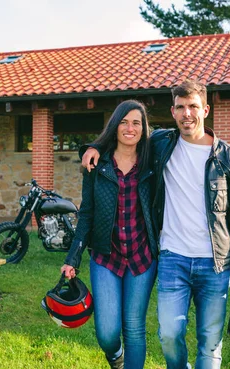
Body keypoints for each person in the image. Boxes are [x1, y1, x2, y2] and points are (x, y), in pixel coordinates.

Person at [81, 80, 230, 369]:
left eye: (193, 106)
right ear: (173, 111)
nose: (187, 114)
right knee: (168, 335)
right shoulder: (161, 144)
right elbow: (127, 135)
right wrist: (94, 146)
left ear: (205, 110)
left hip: (214, 264)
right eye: (180, 107)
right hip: (172, 257)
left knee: (209, 342)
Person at [61, 100, 158, 369]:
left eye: (136, 123)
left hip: (142, 258)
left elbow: (173, 136)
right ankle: (116, 356)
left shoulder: (152, 162)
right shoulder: (97, 165)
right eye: (124, 122)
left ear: (143, 128)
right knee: (106, 332)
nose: (130, 128)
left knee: (135, 328)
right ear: (114, 126)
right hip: (106, 257)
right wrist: (73, 258)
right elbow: (87, 214)